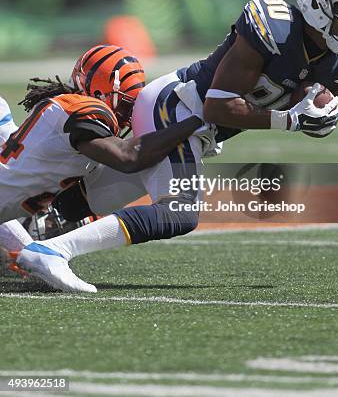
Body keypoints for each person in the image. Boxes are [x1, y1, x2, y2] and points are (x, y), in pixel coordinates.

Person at [8, 0, 338, 293]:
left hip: (198, 130)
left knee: (83, 204)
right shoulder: (274, 27)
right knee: (179, 212)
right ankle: (53, 252)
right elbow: (218, 106)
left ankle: (27, 233)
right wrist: (290, 119)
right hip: (176, 107)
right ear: (318, 5)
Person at [0, 44, 209, 292]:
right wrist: (194, 121)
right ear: (103, 90)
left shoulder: (64, 110)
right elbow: (128, 157)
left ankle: (39, 240)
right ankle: (42, 248)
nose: (128, 116)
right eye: (125, 106)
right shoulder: (80, 109)